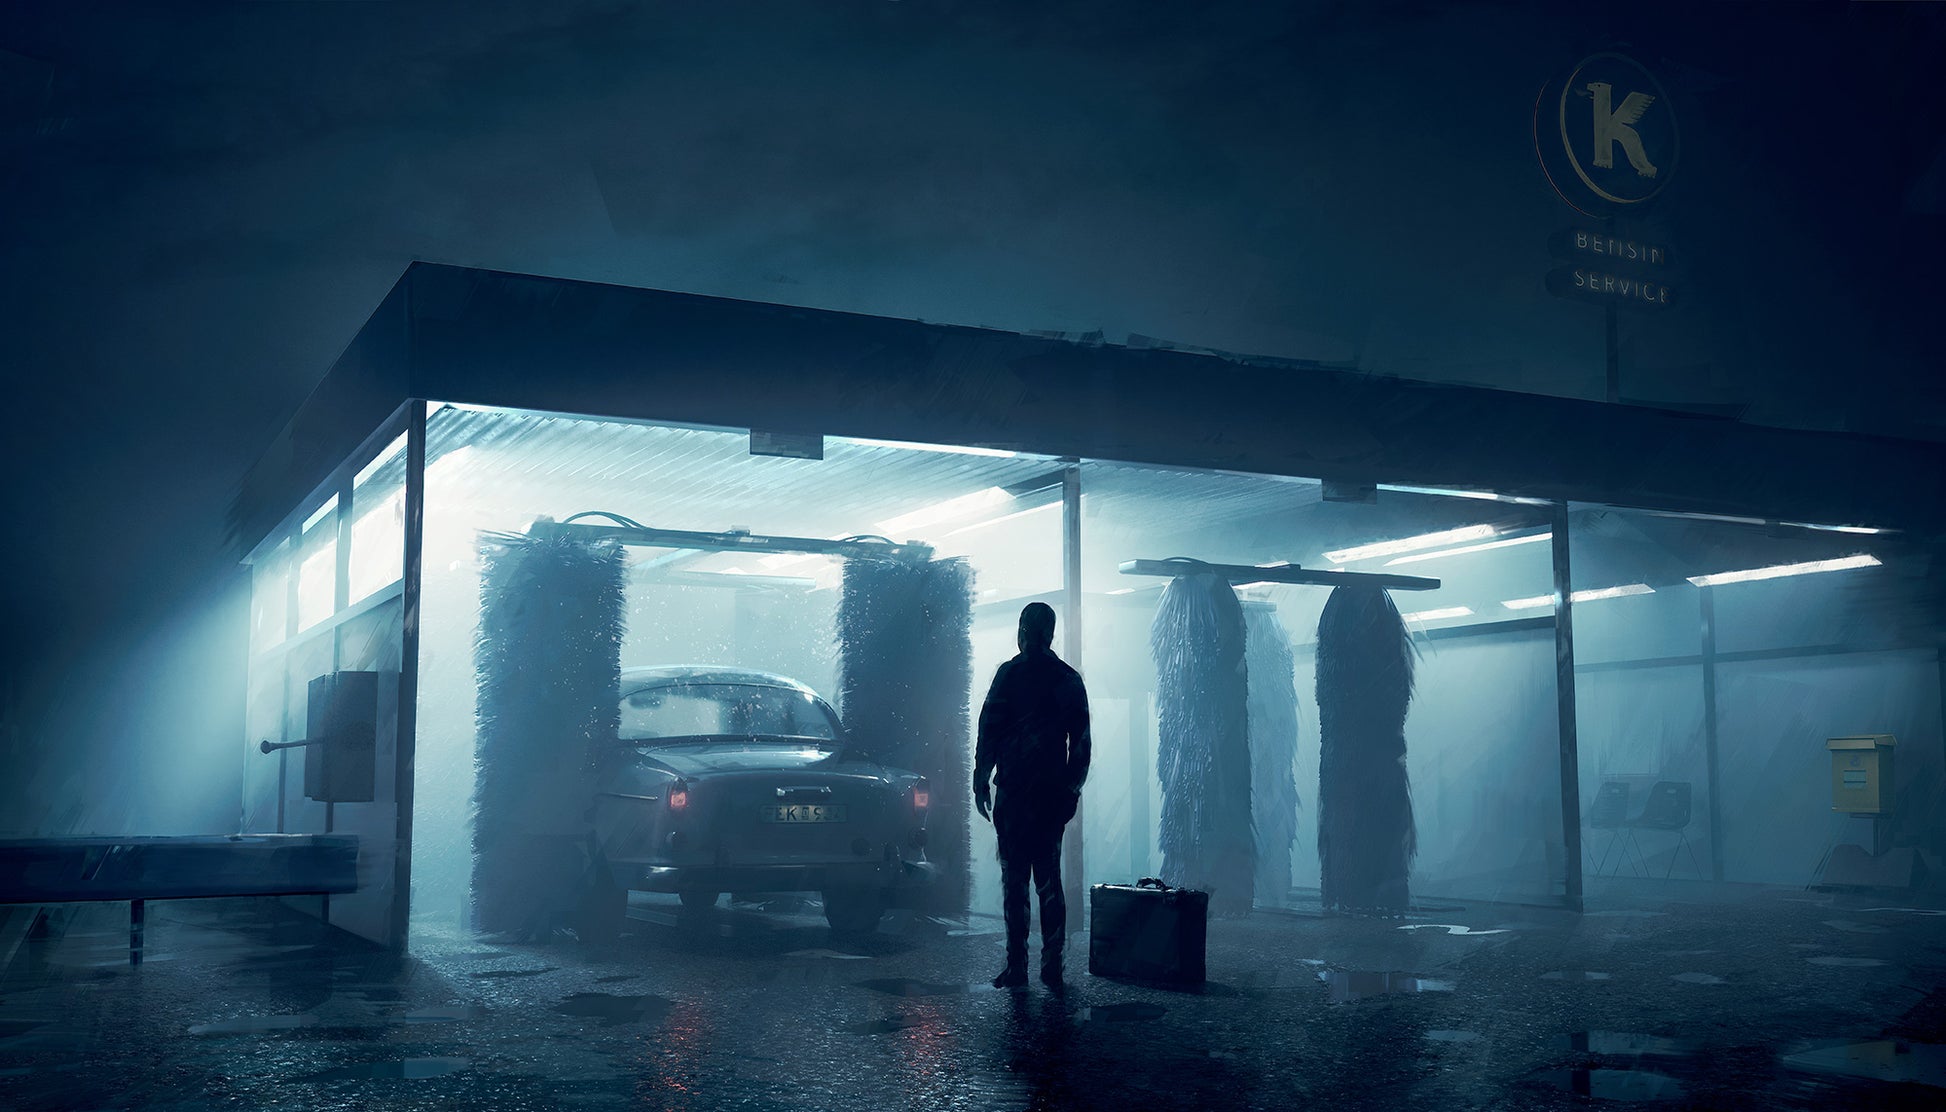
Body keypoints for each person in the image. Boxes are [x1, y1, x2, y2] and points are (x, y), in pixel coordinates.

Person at [973, 601, 1092, 989]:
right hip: (1048, 798)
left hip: (1013, 796)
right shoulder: (1067, 679)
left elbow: (988, 730)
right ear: (1051, 634)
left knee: (1015, 883)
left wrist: (981, 777)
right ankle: (1051, 966)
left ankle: (1017, 966)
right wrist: (1070, 791)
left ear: (1023, 631)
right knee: (1048, 881)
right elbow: (1081, 745)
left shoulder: (1009, 675)